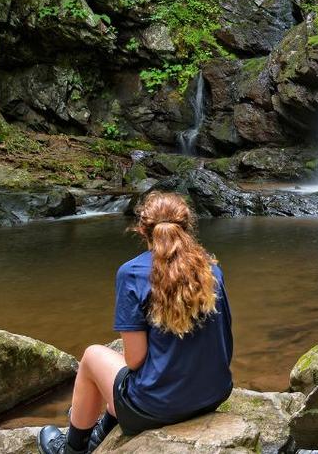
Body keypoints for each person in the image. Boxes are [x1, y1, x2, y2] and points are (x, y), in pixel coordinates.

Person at [38, 191, 234, 454]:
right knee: (131, 373)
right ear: (187, 227)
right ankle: (101, 433)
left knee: (93, 356)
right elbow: (224, 342)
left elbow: (135, 360)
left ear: (143, 229)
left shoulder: (132, 273)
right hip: (214, 393)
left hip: (157, 409)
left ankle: (71, 449)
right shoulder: (212, 269)